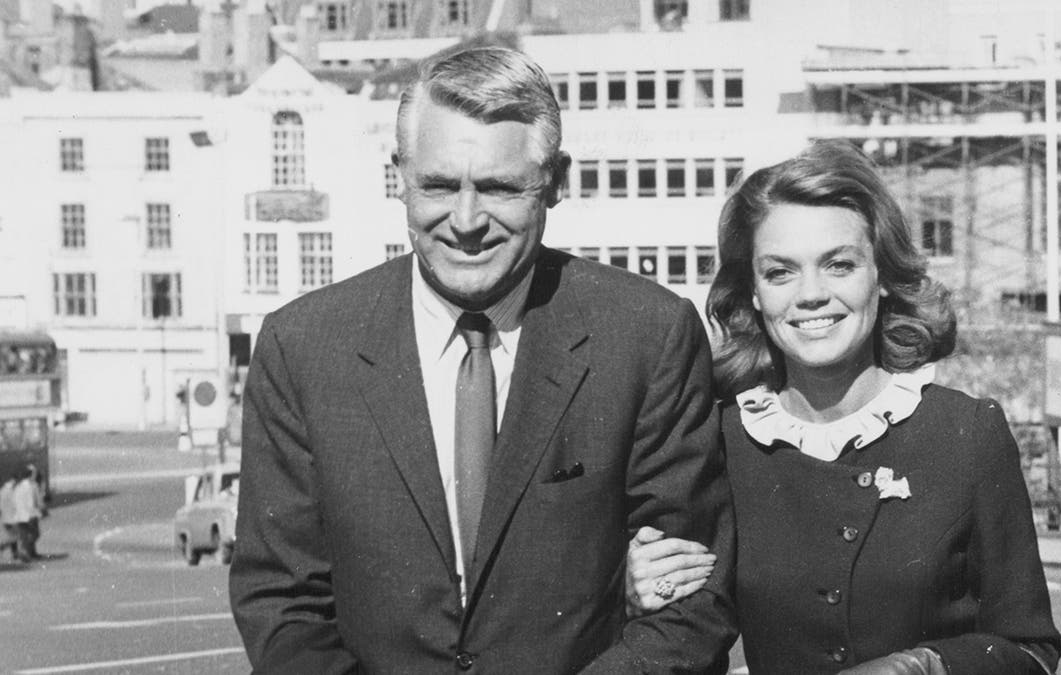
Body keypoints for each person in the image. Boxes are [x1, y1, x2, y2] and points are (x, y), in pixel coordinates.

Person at [229, 46, 736, 674]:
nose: (465, 221)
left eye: (498, 188)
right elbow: (281, 605)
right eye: (439, 185)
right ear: (399, 177)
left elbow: (692, 603)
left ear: (555, 182)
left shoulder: (646, 335)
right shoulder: (301, 347)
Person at [626, 141, 1061, 674]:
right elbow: (683, 621)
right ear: (755, 293)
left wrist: (922, 667)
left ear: (880, 276)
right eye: (781, 272)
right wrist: (634, 588)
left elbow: (1031, 647)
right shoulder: (722, 440)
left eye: (839, 265)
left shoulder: (967, 433)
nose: (811, 294)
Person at [0, 473, 21, 562]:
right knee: (14, 537)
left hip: (7, 517)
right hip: (10, 517)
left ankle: (15, 554)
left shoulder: (3, 490)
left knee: (14, 536)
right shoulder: (9, 490)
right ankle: (6, 550)